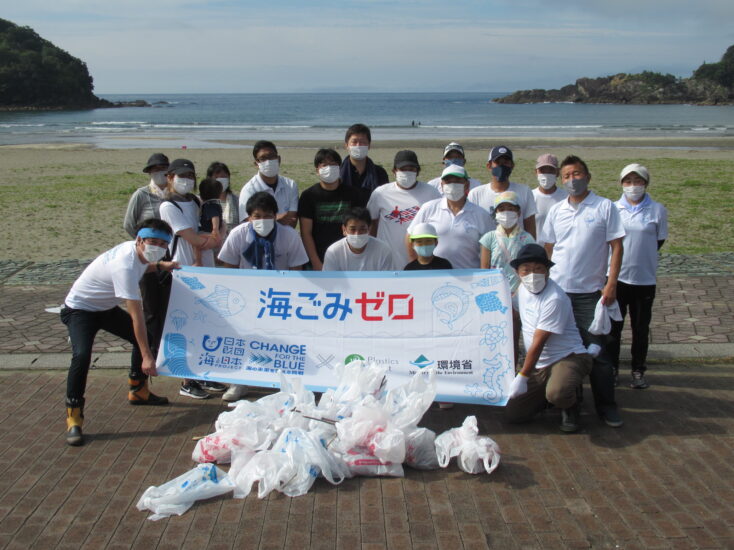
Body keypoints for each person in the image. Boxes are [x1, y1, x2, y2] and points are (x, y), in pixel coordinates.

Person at [60, 219, 178, 446]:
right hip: (79, 311)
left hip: (105, 309)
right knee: (82, 355)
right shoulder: (124, 264)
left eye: (164, 244)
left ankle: (138, 390)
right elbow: (137, 317)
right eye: (153, 242)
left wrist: (162, 266)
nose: (158, 248)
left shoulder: (138, 254)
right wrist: (147, 357)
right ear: (140, 240)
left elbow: (144, 266)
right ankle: (74, 416)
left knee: (145, 338)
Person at [540, 155, 625, 427]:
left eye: (576, 174)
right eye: (566, 176)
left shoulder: (604, 207)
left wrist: (611, 282)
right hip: (560, 294)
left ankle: (606, 406)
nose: (571, 180)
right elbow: (549, 249)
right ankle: (571, 407)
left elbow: (616, 246)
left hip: (591, 294)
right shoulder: (556, 210)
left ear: (587, 177)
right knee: (566, 354)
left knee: (597, 353)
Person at [218, 191, 309, 402]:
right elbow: (227, 269)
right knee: (244, 339)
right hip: (247, 297)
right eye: (256, 216)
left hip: (281, 297)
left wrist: (294, 299)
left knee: (284, 340)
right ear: (248, 217)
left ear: (275, 215)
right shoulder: (239, 234)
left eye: (267, 215)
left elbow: (298, 268)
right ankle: (239, 382)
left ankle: (285, 382)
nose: (262, 220)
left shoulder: (289, 235)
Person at [504, 244, 592, 433]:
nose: (532, 275)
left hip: (566, 357)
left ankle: (570, 404)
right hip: (539, 364)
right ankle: (546, 398)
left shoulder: (555, 298)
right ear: (517, 272)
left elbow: (538, 342)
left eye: (538, 269)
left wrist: (523, 375)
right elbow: (514, 316)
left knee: (558, 393)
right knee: (514, 414)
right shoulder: (522, 290)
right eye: (526, 269)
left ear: (547, 271)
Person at [159, 158, 225, 398]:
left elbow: (209, 233)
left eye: (190, 176)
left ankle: (204, 374)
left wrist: (212, 238)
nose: (186, 180)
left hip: (205, 267)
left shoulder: (195, 201)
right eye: (181, 175)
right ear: (170, 177)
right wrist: (212, 239)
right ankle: (187, 380)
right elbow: (193, 238)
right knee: (185, 324)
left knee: (204, 321)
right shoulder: (168, 207)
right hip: (184, 270)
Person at [608, 164, 668, 389]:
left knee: (641, 329)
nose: (633, 186)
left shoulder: (657, 210)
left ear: (646, 183)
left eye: (638, 181)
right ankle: (612, 369)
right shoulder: (613, 209)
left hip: (644, 279)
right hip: (617, 278)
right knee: (614, 328)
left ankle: (637, 370)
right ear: (621, 184)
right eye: (628, 181)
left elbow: (659, 241)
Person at [406, 165, 491, 269]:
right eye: (448, 181)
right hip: (435, 275)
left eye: (458, 181)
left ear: (467, 185)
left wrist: (484, 274)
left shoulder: (481, 214)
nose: (453, 185)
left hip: (469, 276)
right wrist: (416, 266)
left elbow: (490, 246)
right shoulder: (429, 208)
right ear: (442, 185)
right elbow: (410, 236)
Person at [366, 150, 440, 268]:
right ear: (394, 171)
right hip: (388, 262)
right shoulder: (380, 193)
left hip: (421, 261)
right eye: (403, 169)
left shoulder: (431, 193)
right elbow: (372, 223)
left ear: (418, 171)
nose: (407, 172)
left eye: (411, 169)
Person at [298, 148, 365, 270]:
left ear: (339, 168)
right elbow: (306, 233)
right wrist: (315, 262)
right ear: (317, 170)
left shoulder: (353, 194)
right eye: (324, 165)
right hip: (317, 258)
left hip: (346, 258)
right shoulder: (308, 196)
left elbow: (360, 227)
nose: (329, 168)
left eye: (333, 164)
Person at [467, 145, 537, 238]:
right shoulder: (476, 194)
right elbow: (471, 228)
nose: (502, 166)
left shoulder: (524, 191)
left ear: (512, 165)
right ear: (489, 166)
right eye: (498, 162)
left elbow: (530, 228)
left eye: (506, 162)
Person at [479, 191, 536, 294]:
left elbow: (530, 268)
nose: (506, 213)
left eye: (511, 209)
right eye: (501, 209)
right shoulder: (488, 238)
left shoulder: (527, 238)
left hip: (520, 293)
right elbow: (484, 271)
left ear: (518, 213)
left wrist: (519, 292)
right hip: (495, 292)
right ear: (495, 213)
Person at [239, 141, 299, 227]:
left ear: (278, 159)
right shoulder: (249, 190)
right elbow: (247, 222)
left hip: (286, 238)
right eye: (263, 158)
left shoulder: (291, 185)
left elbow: (292, 220)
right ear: (256, 163)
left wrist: (264, 220)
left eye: (271, 156)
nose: (268, 161)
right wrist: (276, 218)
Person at [322, 208, 395, 271]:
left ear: (369, 229)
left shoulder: (383, 250)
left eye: (362, 229)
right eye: (352, 229)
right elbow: (329, 282)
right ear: (344, 230)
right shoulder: (333, 252)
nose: (357, 234)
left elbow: (386, 282)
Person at [123, 153, 170, 237]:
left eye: (163, 168)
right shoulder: (141, 194)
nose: (160, 172)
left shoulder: (176, 193)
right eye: (156, 169)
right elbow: (128, 224)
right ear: (149, 173)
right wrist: (142, 241)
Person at [339, 123, 389, 200]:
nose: (358, 145)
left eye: (363, 142)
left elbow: (385, 199)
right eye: (354, 142)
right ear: (346, 145)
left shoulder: (380, 173)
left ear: (369, 145)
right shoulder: (338, 173)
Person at [532, 154, 567, 247]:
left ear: (558, 173)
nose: (546, 174)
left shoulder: (567, 198)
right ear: (536, 172)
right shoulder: (530, 197)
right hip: (535, 252)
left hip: (559, 252)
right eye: (542, 170)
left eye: (551, 170)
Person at [193, 177, 223, 267]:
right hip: (210, 232)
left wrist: (215, 229)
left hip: (208, 232)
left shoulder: (210, 205)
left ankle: (198, 262)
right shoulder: (214, 204)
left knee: (196, 243)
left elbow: (215, 217)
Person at [206, 161, 239, 234]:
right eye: (217, 177)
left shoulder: (237, 201)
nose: (221, 180)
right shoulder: (203, 202)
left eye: (224, 177)